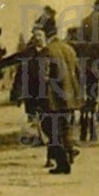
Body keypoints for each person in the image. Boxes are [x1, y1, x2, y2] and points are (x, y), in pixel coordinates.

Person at [32, 27, 83, 175]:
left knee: (49, 127)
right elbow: (78, 72)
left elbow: (42, 78)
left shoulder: (46, 52)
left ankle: (62, 162)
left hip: (53, 98)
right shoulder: (69, 49)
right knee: (65, 126)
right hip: (69, 96)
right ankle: (70, 149)